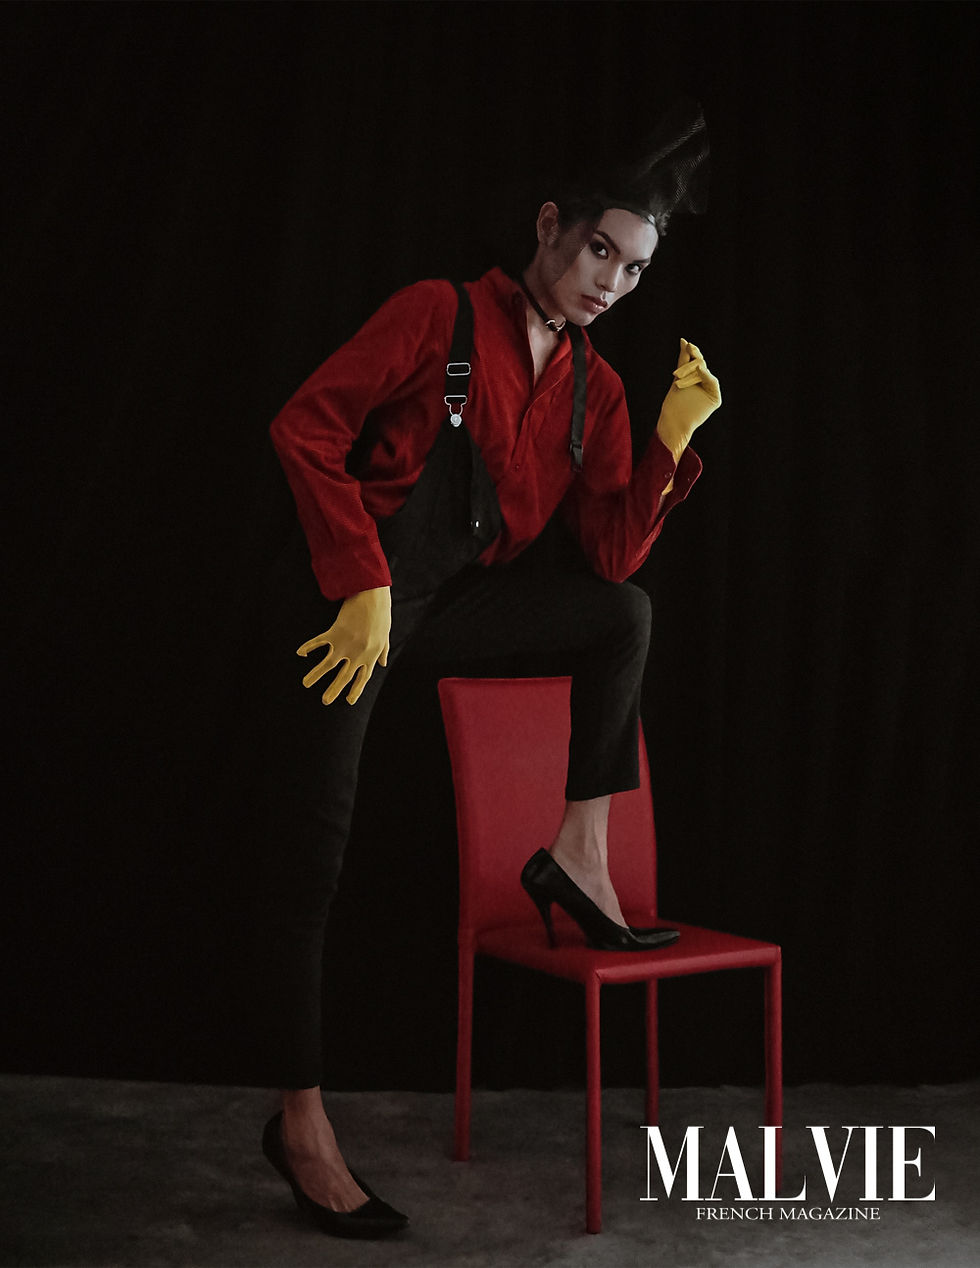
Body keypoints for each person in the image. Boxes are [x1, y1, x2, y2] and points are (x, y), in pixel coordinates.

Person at [255, 102, 719, 1237]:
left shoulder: (597, 390)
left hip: (452, 608)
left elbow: (607, 554)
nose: (611, 282)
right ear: (551, 226)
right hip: (352, 609)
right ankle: (299, 1121)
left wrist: (670, 438)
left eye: (635, 268)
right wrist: (359, 577)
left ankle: (578, 854)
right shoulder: (441, 314)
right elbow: (305, 426)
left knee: (621, 615)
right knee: (311, 855)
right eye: (600, 249)